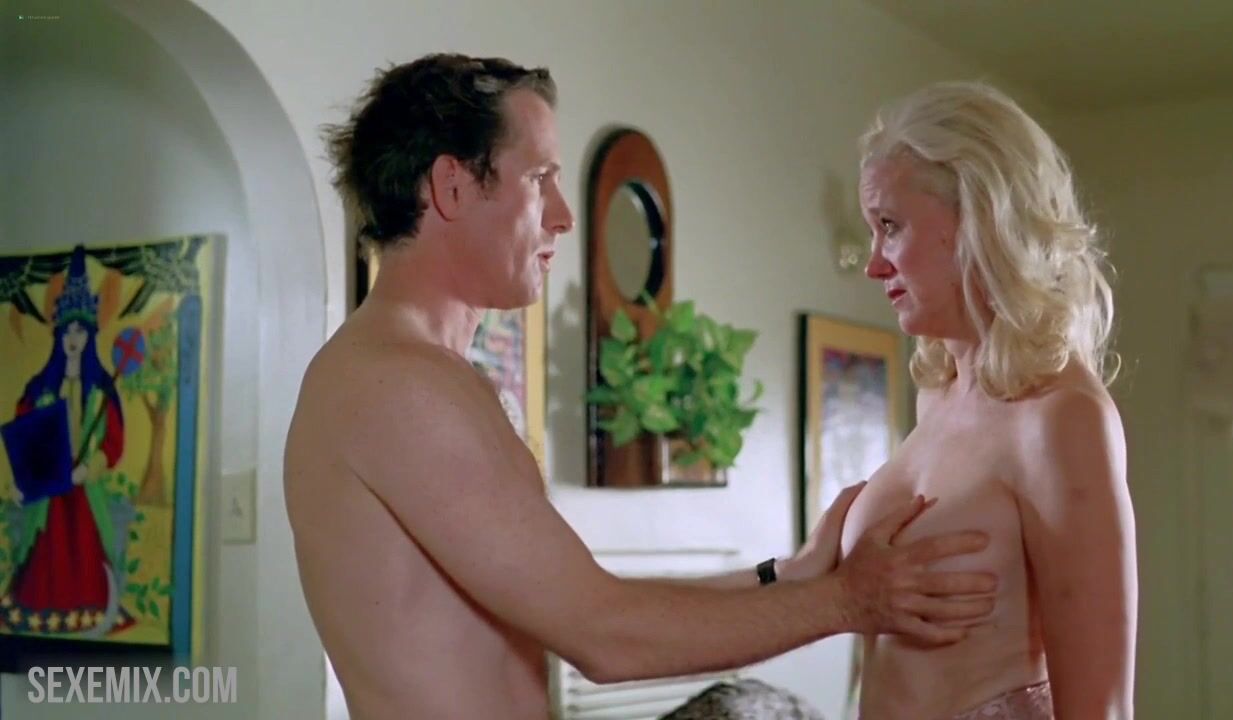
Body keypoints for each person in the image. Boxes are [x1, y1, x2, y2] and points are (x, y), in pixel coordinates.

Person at [284, 54, 998, 720]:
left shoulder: (428, 378)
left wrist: (791, 574)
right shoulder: (398, 386)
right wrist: (849, 600)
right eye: (539, 179)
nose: (562, 215)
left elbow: (593, 599)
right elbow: (607, 636)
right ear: (452, 187)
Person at [843, 81, 1138, 720]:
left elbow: (1103, 709)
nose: (873, 265)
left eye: (889, 227)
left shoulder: (1062, 417)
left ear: (980, 219)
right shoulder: (937, 398)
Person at [0, 246, 133, 637]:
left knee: (83, 549)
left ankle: (87, 611)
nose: (74, 338)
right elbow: (25, 441)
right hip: (48, 488)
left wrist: (88, 469)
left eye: (81, 330)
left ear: (89, 335)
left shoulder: (101, 389)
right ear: (59, 335)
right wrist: (23, 482)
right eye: (68, 331)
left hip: (82, 488)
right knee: (45, 554)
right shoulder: (39, 388)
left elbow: (114, 445)